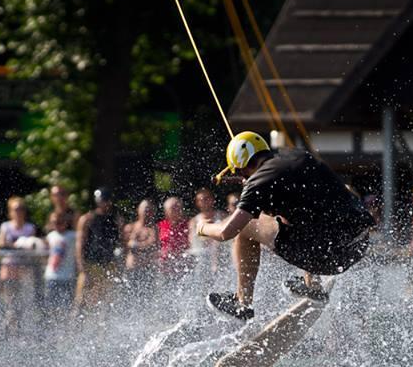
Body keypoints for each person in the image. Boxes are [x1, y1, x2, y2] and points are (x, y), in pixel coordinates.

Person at [196, 131, 374, 320]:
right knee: (305, 213)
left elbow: (226, 232)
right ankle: (312, 284)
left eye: (238, 171)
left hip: (328, 257)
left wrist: (202, 227)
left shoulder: (258, 182)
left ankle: (242, 303)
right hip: (359, 245)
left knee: (245, 228)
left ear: (241, 168)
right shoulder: (298, 155)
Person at [0, 196, 37, 337]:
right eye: (16, 209)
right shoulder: (6, 226)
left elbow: (33, 246)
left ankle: (22, 332)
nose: (19, 212)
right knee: (10, 304)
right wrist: (17, 245)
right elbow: (1, 243)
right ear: (10, 211)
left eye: (21, 209)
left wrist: (22, 247)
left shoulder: (29, 227)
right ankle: (8, 331)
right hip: (9, 270)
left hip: (24, 270)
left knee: (24, 303)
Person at [75, 189, 119, 313]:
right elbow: (80, 243)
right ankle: (77, 322)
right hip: (91, 263)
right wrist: (81, 265)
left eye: (106, 200)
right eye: (102, 200)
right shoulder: (87, 219)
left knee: (107, 299)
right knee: (82, 299)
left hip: (108, 263)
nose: (104, 203)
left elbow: (122, 242)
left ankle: (103, 322)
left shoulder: (115, 219)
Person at [43, 209, 77, 315]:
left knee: (67, 306)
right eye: (54, 222)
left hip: (67, 276)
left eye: (60, 222)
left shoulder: (72, 235)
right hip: (51, 275)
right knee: (50, 306)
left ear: (66, 222)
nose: (57, 225)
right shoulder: (50, 236)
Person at [122, 199, 158, 294]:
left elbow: (153, 244)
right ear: (138, 210)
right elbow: (126, 246)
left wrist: (136, 244)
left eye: (149, 210)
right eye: (145, 210)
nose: (147, 213)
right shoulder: (130, 227)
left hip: (147, 270)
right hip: (131, 269)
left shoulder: (153, 229)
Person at [187, 188, 226, 273]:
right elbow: (193, 243)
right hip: (202, 258)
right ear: (197, 203)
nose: (205, 202)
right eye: (201, 200)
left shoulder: (223, 216)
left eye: (207, 198)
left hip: (221, 255)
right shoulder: (194, 221)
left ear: (212, 200)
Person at [157, 196, 191, 277]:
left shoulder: (190, 224)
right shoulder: (159, 226)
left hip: (185, 266)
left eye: (178, 207)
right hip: (164, 267)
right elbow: (154, 246)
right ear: (166, 212)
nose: (177, 210)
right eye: (173, 208)